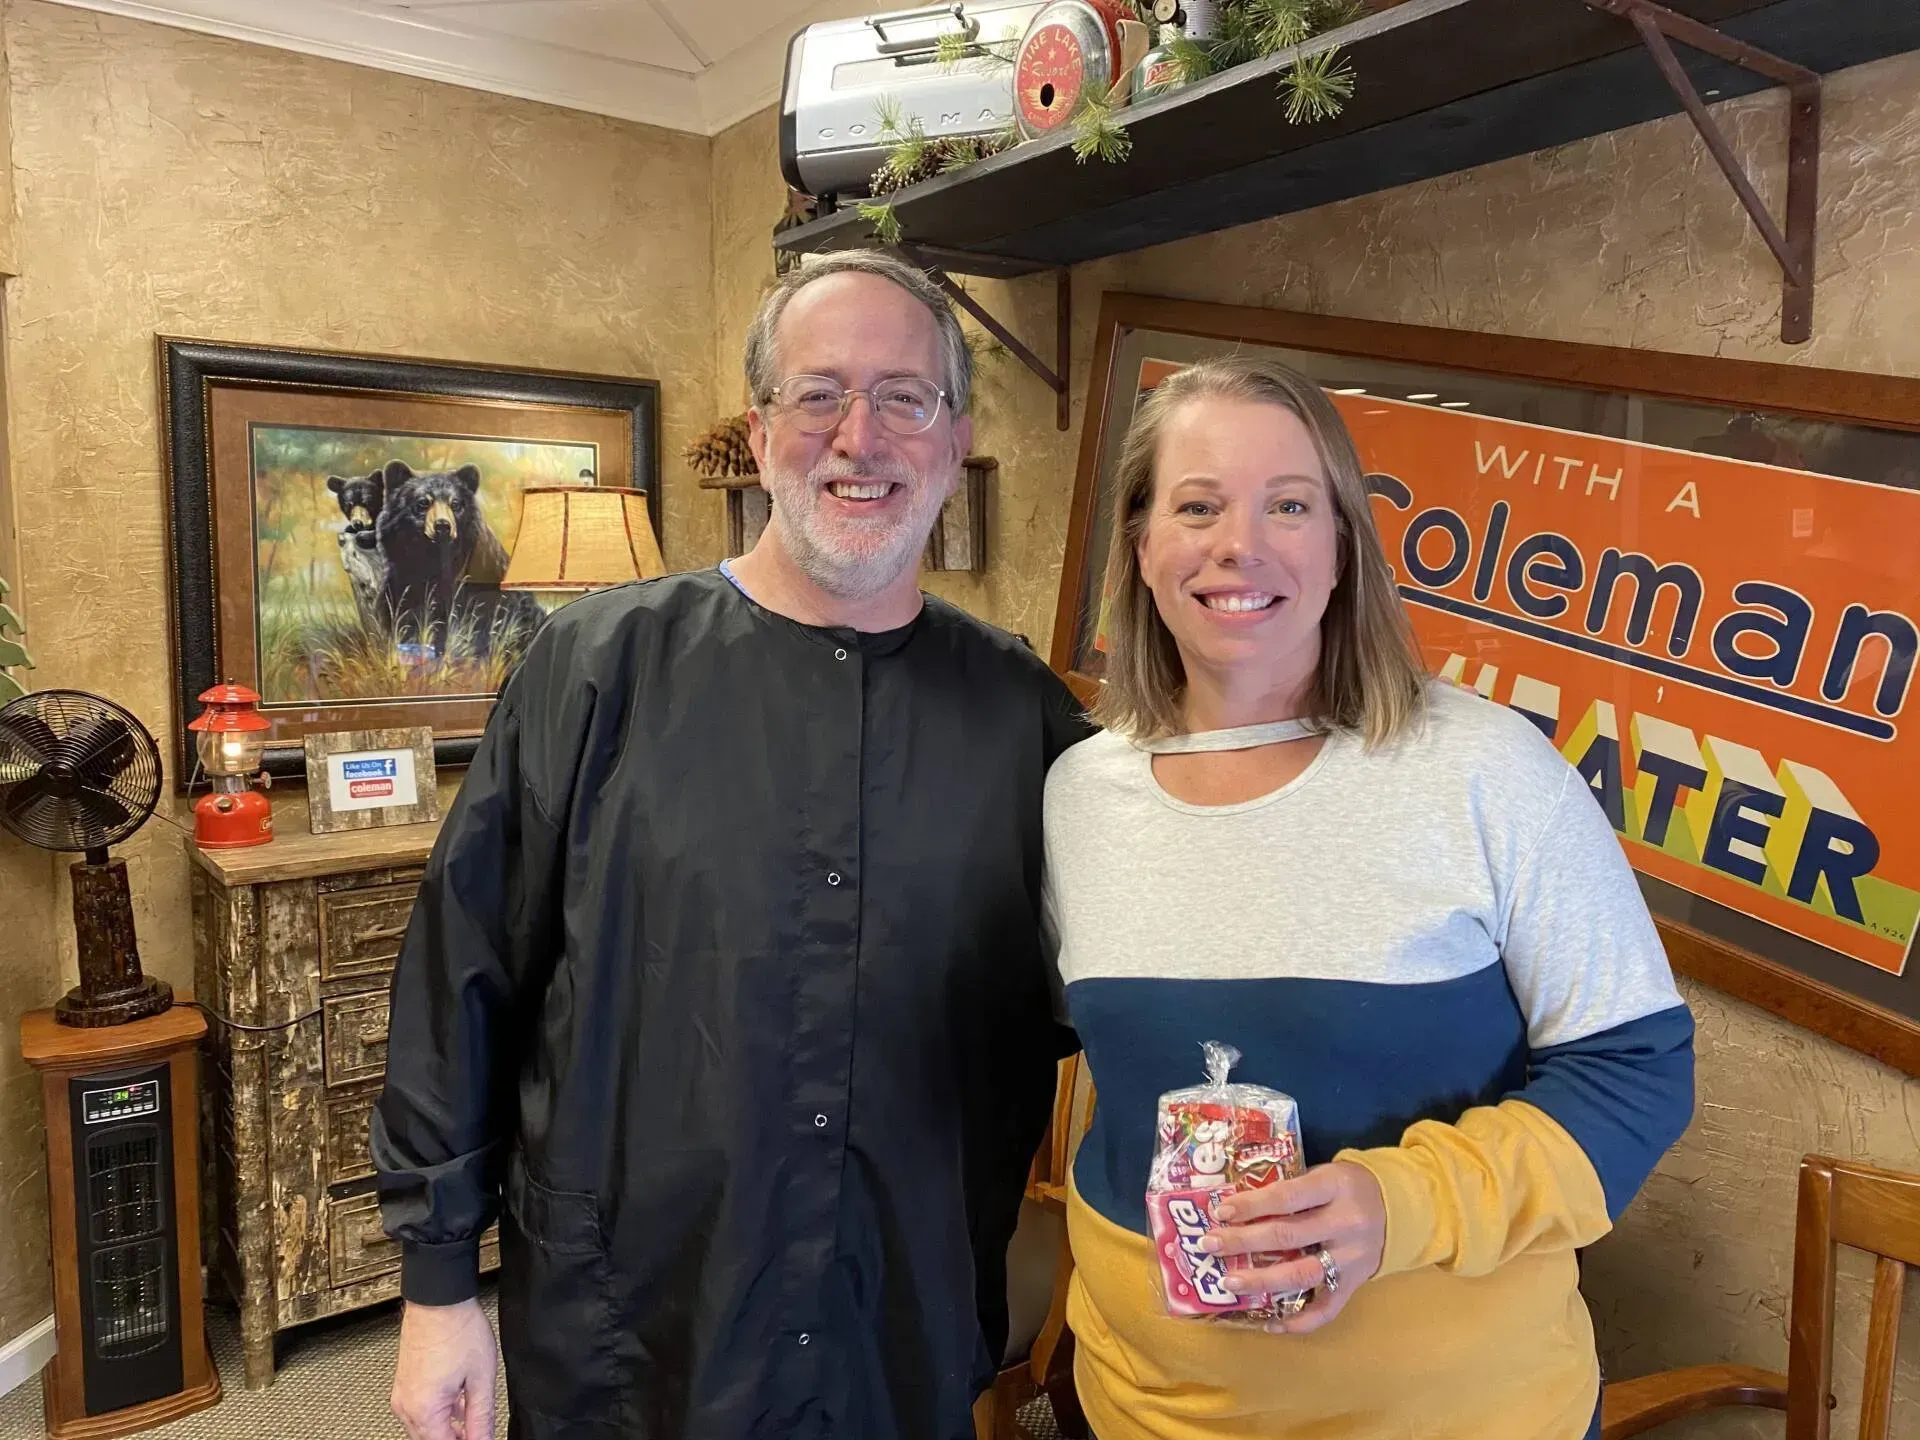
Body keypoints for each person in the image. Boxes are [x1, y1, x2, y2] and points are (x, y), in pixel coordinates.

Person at [373, 250, 1090, 1440]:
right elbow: (463, 985)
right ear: (760, 434)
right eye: (819, 395)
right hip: (633, 1335)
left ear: (955, 438)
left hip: (894, 1334)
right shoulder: (595, 670)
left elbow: (1137, 993)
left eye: (904, 398)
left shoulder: (1030, 721)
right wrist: (438, 1290)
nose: (859, 436)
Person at [1043, 356, 1695, 1440]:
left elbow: (1636, 1078)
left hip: (1458, 1416)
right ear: (1143, 545)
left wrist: (1397, 1209)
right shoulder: (1077, 795)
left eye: (1289, 505)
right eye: (1197, 506)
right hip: (1145, 1410)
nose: (1237, 544)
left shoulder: (1487, 771)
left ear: (1343, 545)